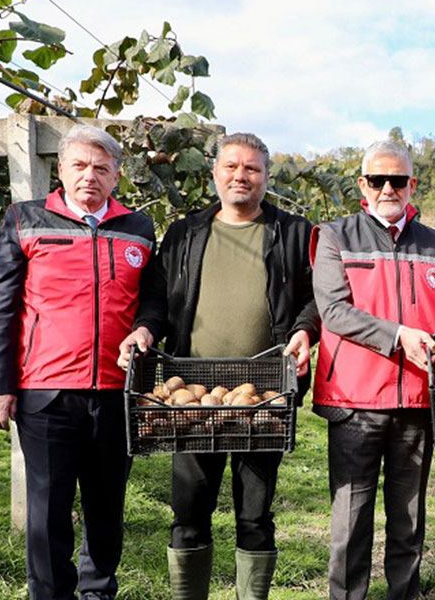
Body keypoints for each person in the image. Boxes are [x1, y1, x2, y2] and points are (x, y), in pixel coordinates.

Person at [117, 132, 319, 600]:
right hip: (190, 394)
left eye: (251, 168)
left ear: (267, 177)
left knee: (255, 515)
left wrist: (305, 330)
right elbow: (156, 298)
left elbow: (314, 297)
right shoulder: (185, 233)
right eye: (231, 167)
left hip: (264, 393)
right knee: (189, 514)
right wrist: (146, 329)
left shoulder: (293, 232)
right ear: (215, 173)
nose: (240, 176)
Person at [0, 124, 164, 600]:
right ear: (61, 170)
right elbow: (1, 305)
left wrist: (146, 327)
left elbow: (153, 299)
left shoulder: (138, 228)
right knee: (46, 513)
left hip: (116, 392)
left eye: (101, 168)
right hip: (45, 392)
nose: (90, 176)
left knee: (106, 510)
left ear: (117, 175)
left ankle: (98, 592)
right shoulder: (27, 220)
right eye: (79, 166)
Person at [310, 140, 435, 600]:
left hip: (417, 399)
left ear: (412, 184)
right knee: (351, 519)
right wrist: (399, 335)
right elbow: (333, 311)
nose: (388, 188)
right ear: (363, 185)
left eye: (398, 180)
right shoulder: (336, 235)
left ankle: (405, 594)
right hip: (355, 401)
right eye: (378, 180)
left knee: (409, 517)